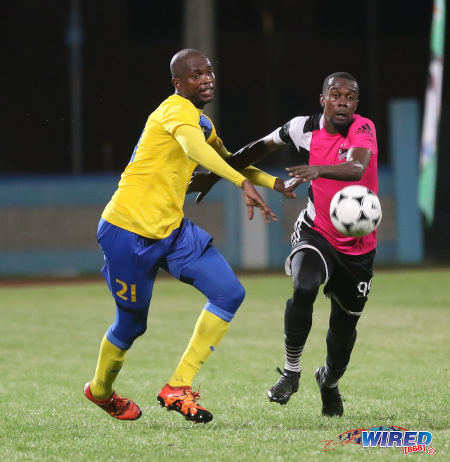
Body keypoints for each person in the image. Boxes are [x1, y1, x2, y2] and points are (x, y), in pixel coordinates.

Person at [83, 49, 294, 424]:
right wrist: (241, 182)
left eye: (209, 72)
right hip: (126, 231)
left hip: (173, 231)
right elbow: (193, 150)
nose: (207, 78)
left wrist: (274, 182)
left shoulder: (204, 123)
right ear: (178, 84)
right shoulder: (173, 111)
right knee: (132, 325)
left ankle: (178, 386)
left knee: (229, 293)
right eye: (197, 74)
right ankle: (100, 390)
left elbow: (227, 160)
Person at [190, 72, 378, 417]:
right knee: (304, 285)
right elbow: (257, 149)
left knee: (342, 333)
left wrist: (319, 170)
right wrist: (215, 176)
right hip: (317, 231)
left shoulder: (362, 129)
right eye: (336, 95)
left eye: (350, 97)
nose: (343, 102)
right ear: (322, 99)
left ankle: (330, 380)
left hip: (358, 250)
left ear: (356, 104)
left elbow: (356, 167)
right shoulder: (301, 127)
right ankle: (291, 372)